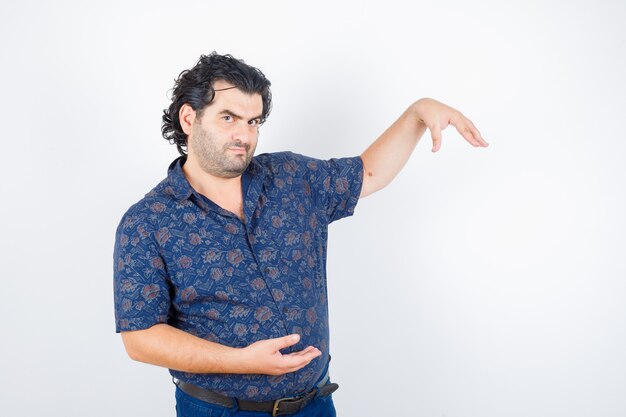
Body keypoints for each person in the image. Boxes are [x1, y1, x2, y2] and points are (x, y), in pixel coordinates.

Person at [113, 52, 488, 417]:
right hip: (220, 411)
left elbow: (369, 173)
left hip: (315, 403)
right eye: (229, 118)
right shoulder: (147, 222)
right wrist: (241, 361)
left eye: (253, 121)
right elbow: (140, 338)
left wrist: (417, 113)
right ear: (189, 118)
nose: (244, 135)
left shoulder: (291, 177)